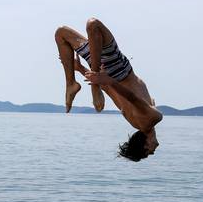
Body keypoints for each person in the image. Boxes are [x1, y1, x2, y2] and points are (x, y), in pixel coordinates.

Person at [55, 18, 162, 161]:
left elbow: (132, 98)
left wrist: (105, 80)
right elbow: (115, 94)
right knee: (61, 33)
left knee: (92, 25)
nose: (155, 149)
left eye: (150, 152)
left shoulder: (153, 119)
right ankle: (72, 84)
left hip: (116, 67)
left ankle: (72, 84)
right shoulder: (134, 122)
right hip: (103, 71)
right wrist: (82, 70)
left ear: (145, 145)